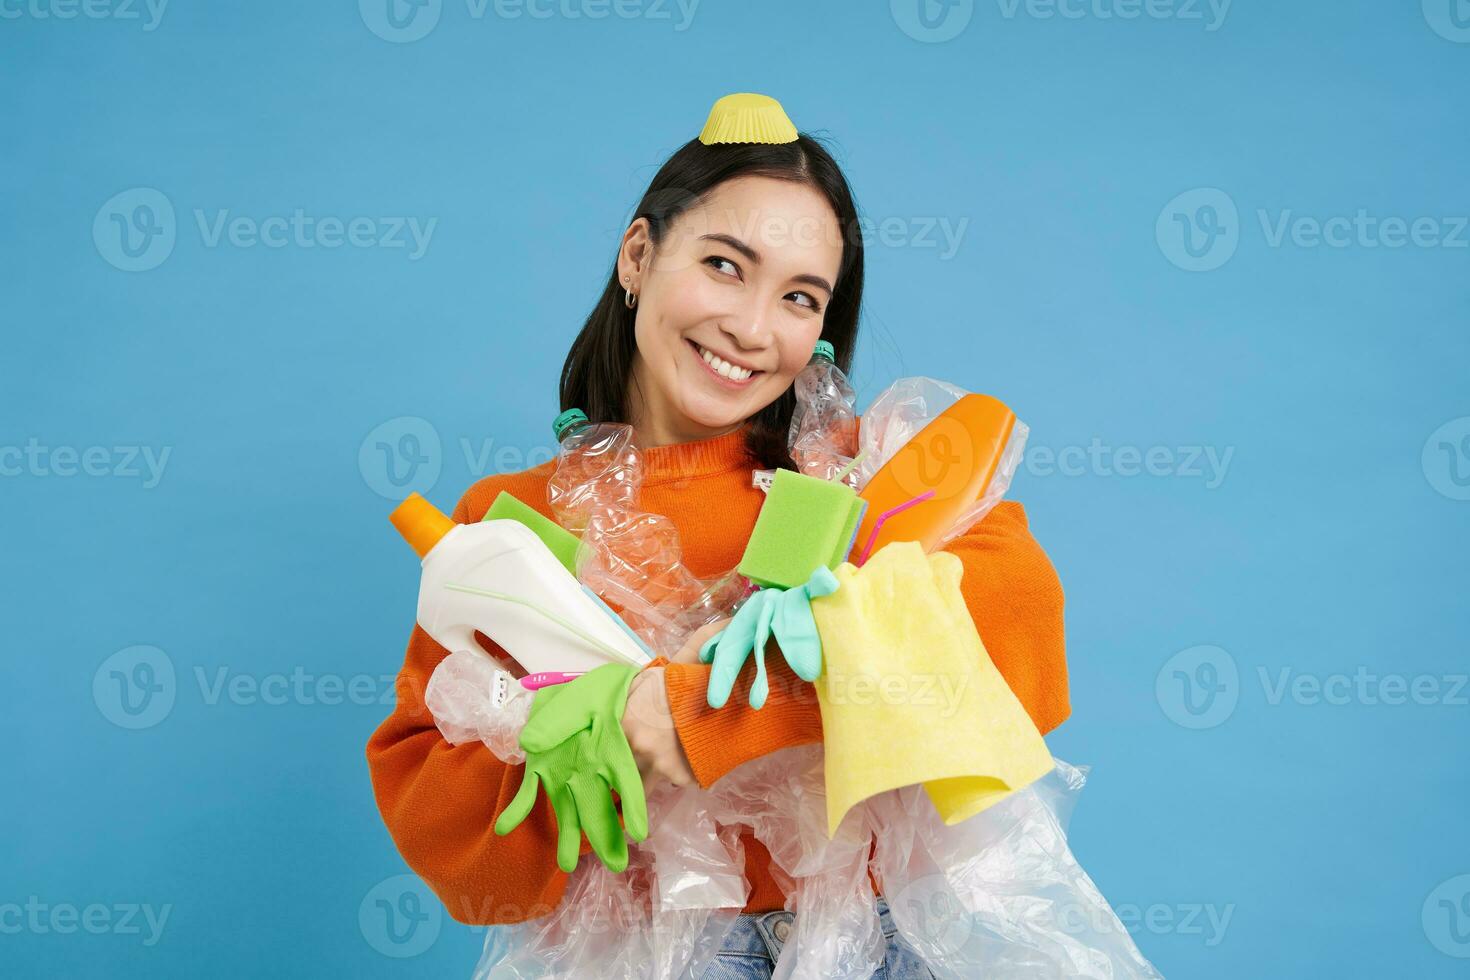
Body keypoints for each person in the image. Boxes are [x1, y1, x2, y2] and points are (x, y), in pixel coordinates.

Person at [366, 93, 1071, 979]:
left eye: (800, 296)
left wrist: (708, 710)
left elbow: (1020, 634)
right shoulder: (520, 528)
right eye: (726, 265)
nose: (752, 328)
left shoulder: (857, 481)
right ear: (638, 255)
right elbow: (450, 845)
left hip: (875, 952)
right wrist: (604, 751)